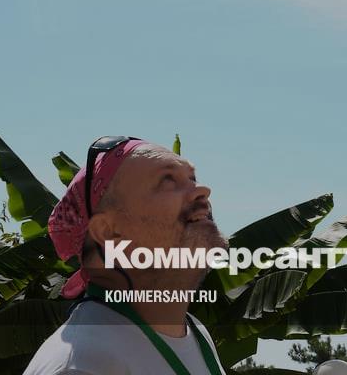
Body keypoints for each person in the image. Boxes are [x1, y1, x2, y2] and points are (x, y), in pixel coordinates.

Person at [24, 137, 229, 375]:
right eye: (167, 180)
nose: (203, 190)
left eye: (192, 179)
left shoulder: (194, 333)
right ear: (109, 232)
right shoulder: (85, 364)